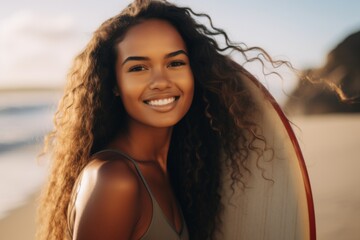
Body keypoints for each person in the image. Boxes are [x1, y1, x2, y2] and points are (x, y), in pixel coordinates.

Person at [37, 0, 291, 239]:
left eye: (175, 63)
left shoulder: (174, 167)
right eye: (138, 68)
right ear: (114, 84)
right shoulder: (114, 180)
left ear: (194, 71)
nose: (161, 82)